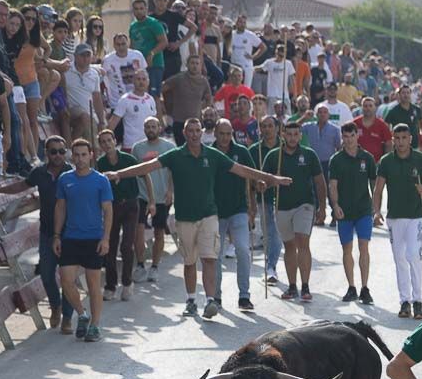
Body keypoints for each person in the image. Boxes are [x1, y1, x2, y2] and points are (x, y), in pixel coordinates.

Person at [107, 116, 288, 316]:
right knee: (190, 262)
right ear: (184, 133)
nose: (194, 134)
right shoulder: (175, 155)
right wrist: (119, 174)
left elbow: (242, 170)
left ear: (202, 132)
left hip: (209, 215)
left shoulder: (213, 155)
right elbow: (147, 167)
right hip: (184, 217)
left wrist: (270, 178)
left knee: (210, 258)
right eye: (190, 131)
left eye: (197, 130)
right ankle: (191, 300)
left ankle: (211, 300)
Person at [0, 135, 72, 329]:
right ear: (46, 153)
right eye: (54, 151)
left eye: (62, 151)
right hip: (47, 232)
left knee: (67, 277)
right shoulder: (39, 173)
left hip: (70, 233)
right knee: (47, 274)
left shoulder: (72, 173)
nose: (58, 155)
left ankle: (67, 316)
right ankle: (55, 306)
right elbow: (22, 186)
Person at [51, 138, 113, 342]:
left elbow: (108, 210)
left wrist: (106, 238)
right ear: (72, 156)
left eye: (83, 154)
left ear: (91, 155)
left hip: (93, 239)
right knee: (66, 280)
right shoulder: (65, 179)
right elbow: (60, 208)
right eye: (76, 155)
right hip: (70, 237)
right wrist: (57, 235)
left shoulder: (100, 180)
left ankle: (95, 325)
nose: (80, 158)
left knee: (94, 285)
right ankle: (82, 313)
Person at [373, 123, 422, 319]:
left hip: (416, 216)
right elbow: (378, 189)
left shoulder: (421, 159)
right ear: (393, 140)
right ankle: (404, 302)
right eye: (397, 138)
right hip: (394, 217)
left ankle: (418, 301)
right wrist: (376, 211)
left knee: (413, 255)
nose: (400, 142)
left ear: (410, 139)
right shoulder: (386, 161)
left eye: (404, 138)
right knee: (399, 257)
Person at [262, 120, 326, 301]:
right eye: (288, 134)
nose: (292, 138)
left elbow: (320, 181)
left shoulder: (309, 155)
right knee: (289, 246)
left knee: (302, 242)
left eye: (295, 134)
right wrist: (270, 182)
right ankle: (292, 287)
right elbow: (262, 181)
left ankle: (305, 286)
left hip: (305, 205)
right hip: (281, 206)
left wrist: (322, 206)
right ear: (283, 135)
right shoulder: (274, 156)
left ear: (300, 135)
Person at [210, 118, 256, 311]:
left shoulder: (241, 152)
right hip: (214, 213)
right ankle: (216, 297)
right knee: (216, 256)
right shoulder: (208, 153)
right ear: (215, 133)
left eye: (229, 134)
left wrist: (252, 208)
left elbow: (252, 177)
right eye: (222, 133)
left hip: (239, 210)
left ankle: (244, 296)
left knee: (243, 251)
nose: (225, 138)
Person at [328, 121, 377, 303]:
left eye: (351, 136)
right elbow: (333, 185)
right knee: (346, 248)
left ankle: (365, 287)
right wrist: (335, 205)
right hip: (344, 212)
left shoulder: (367, 158)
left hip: (364, 209)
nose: (348, 140)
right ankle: (352, 287)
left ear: (358, 135)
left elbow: (374, 182)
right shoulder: (337, 159)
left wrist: (376, 204)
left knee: (363, 247)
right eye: (345, 137)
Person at [95, 129, 145, 301]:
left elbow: (144, 175)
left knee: (126, 245)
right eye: (103, 141)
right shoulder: (100, 164)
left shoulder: (128, 159)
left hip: (130, 204)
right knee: (110, 244)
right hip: (111, 207)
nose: (107, 144)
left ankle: (127, 282)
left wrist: (151, 201)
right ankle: (110, 285)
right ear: (100, 145)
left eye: (109, 140)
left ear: (115, 141)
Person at [132, 116, 176, 284]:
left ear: (159, 128)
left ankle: (155, 267)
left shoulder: (169, 147)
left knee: (159, 232)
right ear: (144, 129)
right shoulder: (138, 148)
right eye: (148, 127)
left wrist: (170, 191)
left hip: (162, 195)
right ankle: (141, 265)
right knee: (139, 231)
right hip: (142, 196)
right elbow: (135, 171)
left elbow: (173, 170)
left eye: (154, 126)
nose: (151, 129)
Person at [250, 116, 283, 283]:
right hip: (263, 197)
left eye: (270, 126)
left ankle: (271, 266)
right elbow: (248, 177)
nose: (267, 129)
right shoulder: (254, 150)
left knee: (276, 232)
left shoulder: (285, 147)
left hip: (283, 198)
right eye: (264, 126)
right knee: (269, 232)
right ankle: (271, 266)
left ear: (277, 128)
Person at [162, 54, 213, 146]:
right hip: (179, 122)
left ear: (200, 66)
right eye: (192, 63)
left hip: (196, 123)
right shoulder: (179, 78)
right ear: (187, 65)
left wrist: (203, 109)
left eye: (197, 63)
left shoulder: (203, 81)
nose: (195, 66)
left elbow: (209, 98)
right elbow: (162, 88)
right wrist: (165, 105)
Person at [107, 67, 161, 152]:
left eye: (144, 79)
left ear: (148, 82)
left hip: (148, 145)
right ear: (133, 81)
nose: (141, 82)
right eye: (138, 79)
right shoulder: (125, 99)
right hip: (130, 146)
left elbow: (155, 124)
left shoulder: (150, 99)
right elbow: (113, 123)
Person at [63, 43, 105, 146]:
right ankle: (73, 148)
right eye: (82, 55)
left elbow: (97, 98)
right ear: (76, 56)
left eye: (88, 55)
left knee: (94, 143)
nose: (85, 58)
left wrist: (101, 121)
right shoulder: (66, 70)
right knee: (84, 116)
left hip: (89, 113)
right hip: (70, 110)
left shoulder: (94, 74)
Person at [101, 32, 147, 121]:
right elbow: (102, 80)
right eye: (118, 44)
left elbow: (145, 76)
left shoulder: (137, 55)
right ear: (114, 45)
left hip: (136, 100)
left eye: (123, 44)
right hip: (116, 103)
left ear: (128, 43)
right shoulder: (108, 60)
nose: (121, 47)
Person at [129, 0, 167, 95]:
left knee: (154, 95)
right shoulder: (133, 26)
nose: (139, 11)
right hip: (139, 66)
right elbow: (132, 45)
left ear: (146, 9)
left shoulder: (154, 23)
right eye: (136, 9)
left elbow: (163, 42)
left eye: (141, 8)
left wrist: (152, 53)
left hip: (154, 64)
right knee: (139, 94)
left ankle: (156, 111)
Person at [384, 83, 422, 148]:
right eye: (403, 93)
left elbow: (421, 121)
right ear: (399, 95)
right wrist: (390, 137)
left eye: (408, 93)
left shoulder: (417, 109)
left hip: (414, 144)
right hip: (399, 146)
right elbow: (386, 125)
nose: (406, 95)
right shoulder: (393, 111)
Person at [229, 14, 263, 88]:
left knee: (246, 87)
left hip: (246, 64)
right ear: (237, 23)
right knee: (233, 86)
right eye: (240, 22)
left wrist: (253, 57)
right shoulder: (232, 34)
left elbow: (263, 47)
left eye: (244, 22)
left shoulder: (250, 35)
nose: (242, 24)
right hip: (234, 64)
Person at [356, 95, 392, 160]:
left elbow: (388, 144)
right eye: (365, 106)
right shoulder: (355, 123)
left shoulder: (382, 125)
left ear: (375, 107)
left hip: (376, 162)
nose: (368, 108)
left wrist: (385, 161)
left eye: (370, 106)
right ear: (361, 108)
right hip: (357, 161)